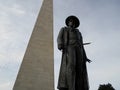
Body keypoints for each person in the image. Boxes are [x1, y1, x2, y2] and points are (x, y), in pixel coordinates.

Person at [57, 16, 91, 90]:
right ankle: (71, 87)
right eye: (71, 21)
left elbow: (82, 45)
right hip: (70, 48)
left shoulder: (79, 33)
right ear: (68, 23)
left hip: (79, 49)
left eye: (74, 22)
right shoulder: (64, 29)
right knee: (71, 66)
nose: (72, 22)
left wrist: (85, 57)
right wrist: (60, 44)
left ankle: (79, 87)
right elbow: (59, 37)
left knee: (79, 68)